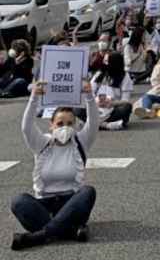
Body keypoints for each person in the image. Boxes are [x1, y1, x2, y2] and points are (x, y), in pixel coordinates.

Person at [11, 81, 99, 250]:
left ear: (75, 125)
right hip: (43, 205)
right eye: (60, 123)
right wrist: (34, 97)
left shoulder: (81, 142)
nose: (65, 127)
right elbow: (26, 127)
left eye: (70, 123)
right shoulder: (42, 142)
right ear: (51, 125)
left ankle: (39, 236)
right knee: (19, 201)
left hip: (71, 203)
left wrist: (88, 95)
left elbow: (94, 122)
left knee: (88, 192)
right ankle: (69, 231)